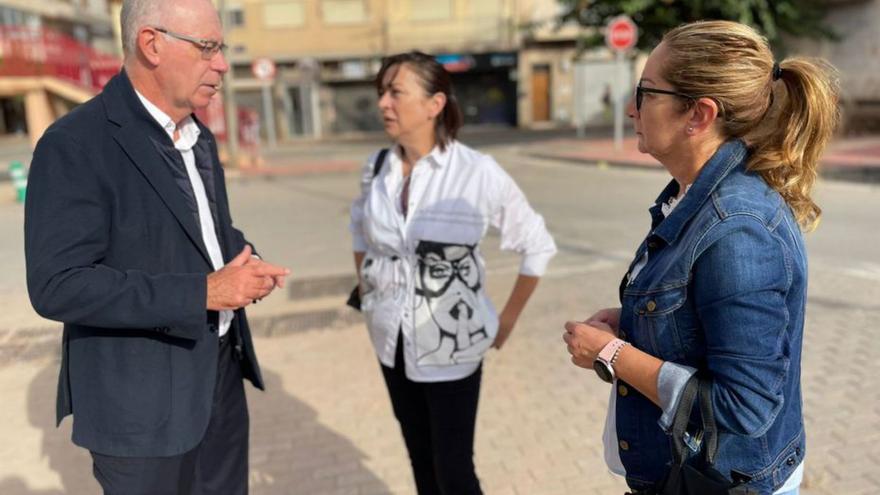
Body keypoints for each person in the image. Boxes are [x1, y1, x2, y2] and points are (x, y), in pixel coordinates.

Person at [562, 20, 839, 495]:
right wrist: (633, 322)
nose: (631, 108)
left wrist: (613, 353)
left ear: (698, 114)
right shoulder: (690, 197)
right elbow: (697, 327)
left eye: (645, 92)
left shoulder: (736, 231)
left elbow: (743, 407)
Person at [24, 1, 290, 493]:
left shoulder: (198, 136)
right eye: (208, 48)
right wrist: (203, 293)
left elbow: (203, 233)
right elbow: (58, 285)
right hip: (139, 410)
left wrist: (243, 258)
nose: (222, 64)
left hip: (219, 382)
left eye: (222, 49)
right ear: (152, 44)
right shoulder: (75, 144)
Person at [350, 51, 556, 494]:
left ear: (434, 103)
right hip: (391, 341)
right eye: (381, 92)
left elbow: (536, 244)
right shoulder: (377, 168)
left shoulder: (476, 173)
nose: (384, 103)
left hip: (453, 345)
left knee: (454, 469)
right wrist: (370, 297)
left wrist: (507, 321)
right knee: (419, 458)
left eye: (396, 92)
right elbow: (359, 233)